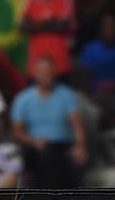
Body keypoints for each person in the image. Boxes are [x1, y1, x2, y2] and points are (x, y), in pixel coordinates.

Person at [8, 57, 88, 188]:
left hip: (63, 146)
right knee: (43, 159)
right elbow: (17, 132)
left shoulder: (67, 95)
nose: (46, 75)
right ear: (35, 74)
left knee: (73, 161)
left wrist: (80, 146)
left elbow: (77, 126)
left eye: (49, 71)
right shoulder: (23, 99)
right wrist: (33, 141)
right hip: (35, 147)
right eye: (42, 72)